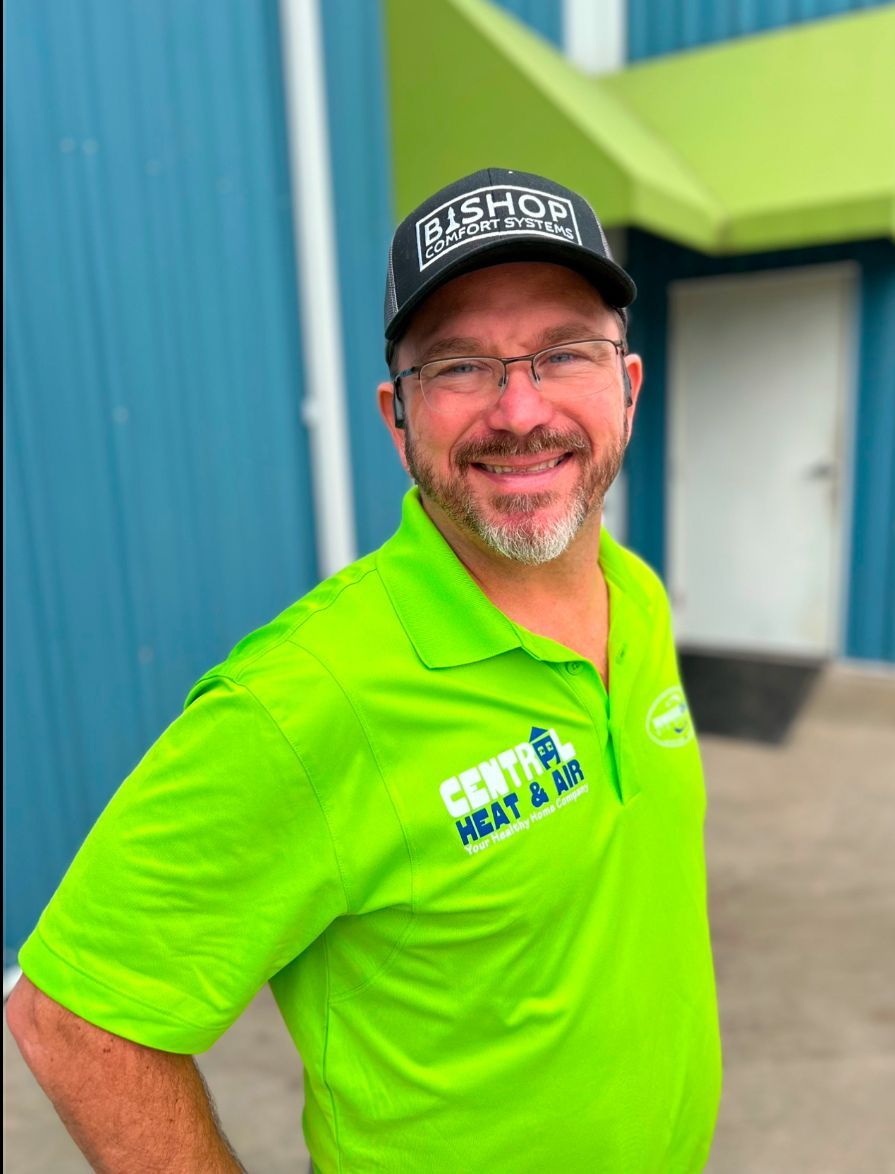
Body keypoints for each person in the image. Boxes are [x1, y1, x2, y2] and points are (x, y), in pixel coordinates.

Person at [7, 167, 722, 1172]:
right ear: (396, 417)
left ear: (627, 386)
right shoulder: (305, 698)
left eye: (563, 352)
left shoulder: (632, 591)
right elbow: (73, 1018)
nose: (519, 410)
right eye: (460, 367)